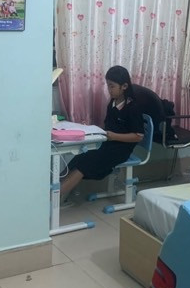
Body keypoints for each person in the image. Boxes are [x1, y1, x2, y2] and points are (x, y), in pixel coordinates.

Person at [60, 66, 145, 200]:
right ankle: (57, 190)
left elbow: (138, 136)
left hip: (121, 149)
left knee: (85, 163)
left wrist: (114, 136)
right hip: (108, 143)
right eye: (108, 85)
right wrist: (92, 130)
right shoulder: (112, 103)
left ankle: (53, 198)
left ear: (124, 86)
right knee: (78, 158)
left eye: (112, 86)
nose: (109, 89)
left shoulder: (133, 107)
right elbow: (108, 126)